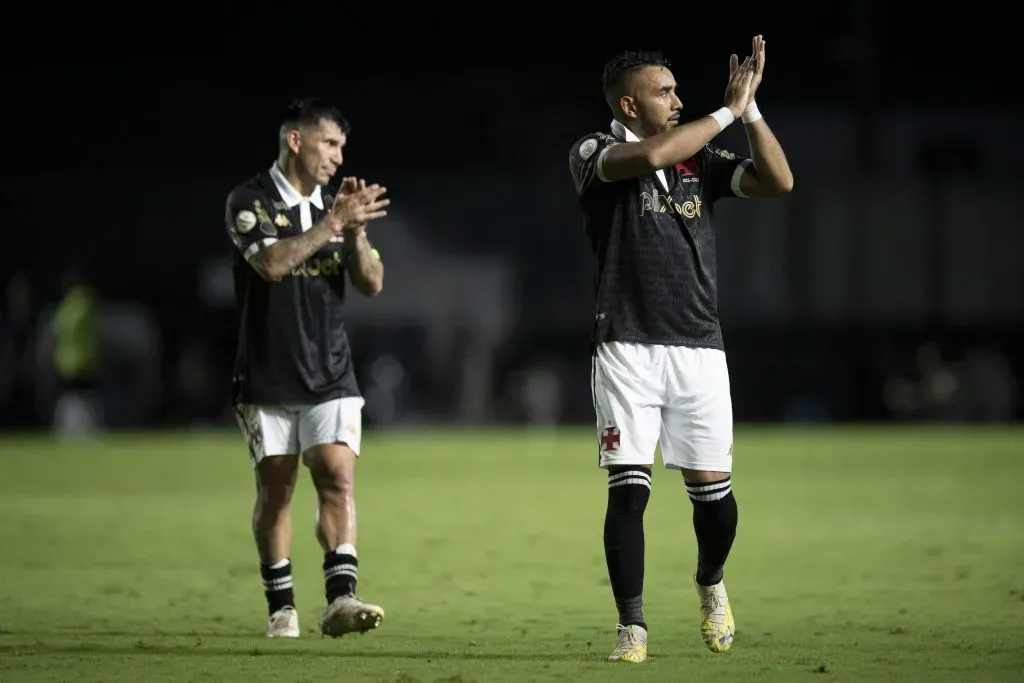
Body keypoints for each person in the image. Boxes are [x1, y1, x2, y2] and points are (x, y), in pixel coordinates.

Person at [567, 37, 794, 663]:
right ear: (629, 105)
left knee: (714, 498)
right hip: (626, 344)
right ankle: (632, 628)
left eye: (675, 90)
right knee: (628, 491)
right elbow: (654, 153)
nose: (677, 100)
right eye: (664, 92)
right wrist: (725, 112)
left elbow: (779, 180)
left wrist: (749, 111)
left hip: (698, 346)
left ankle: (711, 581)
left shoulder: (702, 159)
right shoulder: (594, 151)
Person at [223, 97, 391, 639]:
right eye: (329, 143)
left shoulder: (334, 206)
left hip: (331, 372)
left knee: (337, 477)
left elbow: (372, 282)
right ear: (295, 140)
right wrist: (332, 222)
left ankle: (341, 598)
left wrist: (354, 232)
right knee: (276, 492)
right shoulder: (249, 200)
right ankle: (281, 607)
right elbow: (271, 263)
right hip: (267, 374)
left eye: (342, 146)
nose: (338, 157)